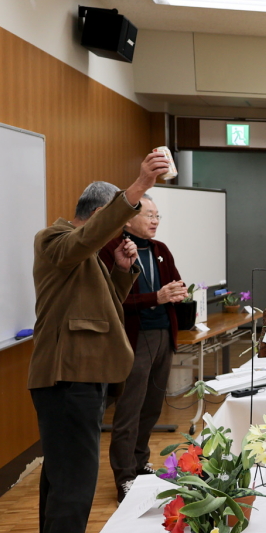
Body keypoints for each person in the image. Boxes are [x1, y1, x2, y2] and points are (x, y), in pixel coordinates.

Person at [28, 150, 170, 533]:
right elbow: (84, 242)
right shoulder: (54, 238)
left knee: (63, 475)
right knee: (75, 478)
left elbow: (102, 301)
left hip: (79, 376)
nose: (119, 233)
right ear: (97, 215)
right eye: (115, 222)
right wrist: (138, 187)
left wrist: (123, 271)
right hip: (66, 376)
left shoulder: (83, 253)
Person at [98, 194, 188, 502]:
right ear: (127, 219)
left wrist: (178, 291)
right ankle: (124, 477)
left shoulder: (160, 250)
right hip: (134, 339)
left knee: (151, 408)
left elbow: (173, 283)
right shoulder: (112, 250)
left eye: (158, 216)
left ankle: (139, 463)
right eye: (149, 215)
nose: (154, 221)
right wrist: (156, 298)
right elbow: (113, 300)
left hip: (164, 334)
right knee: (130, 411)